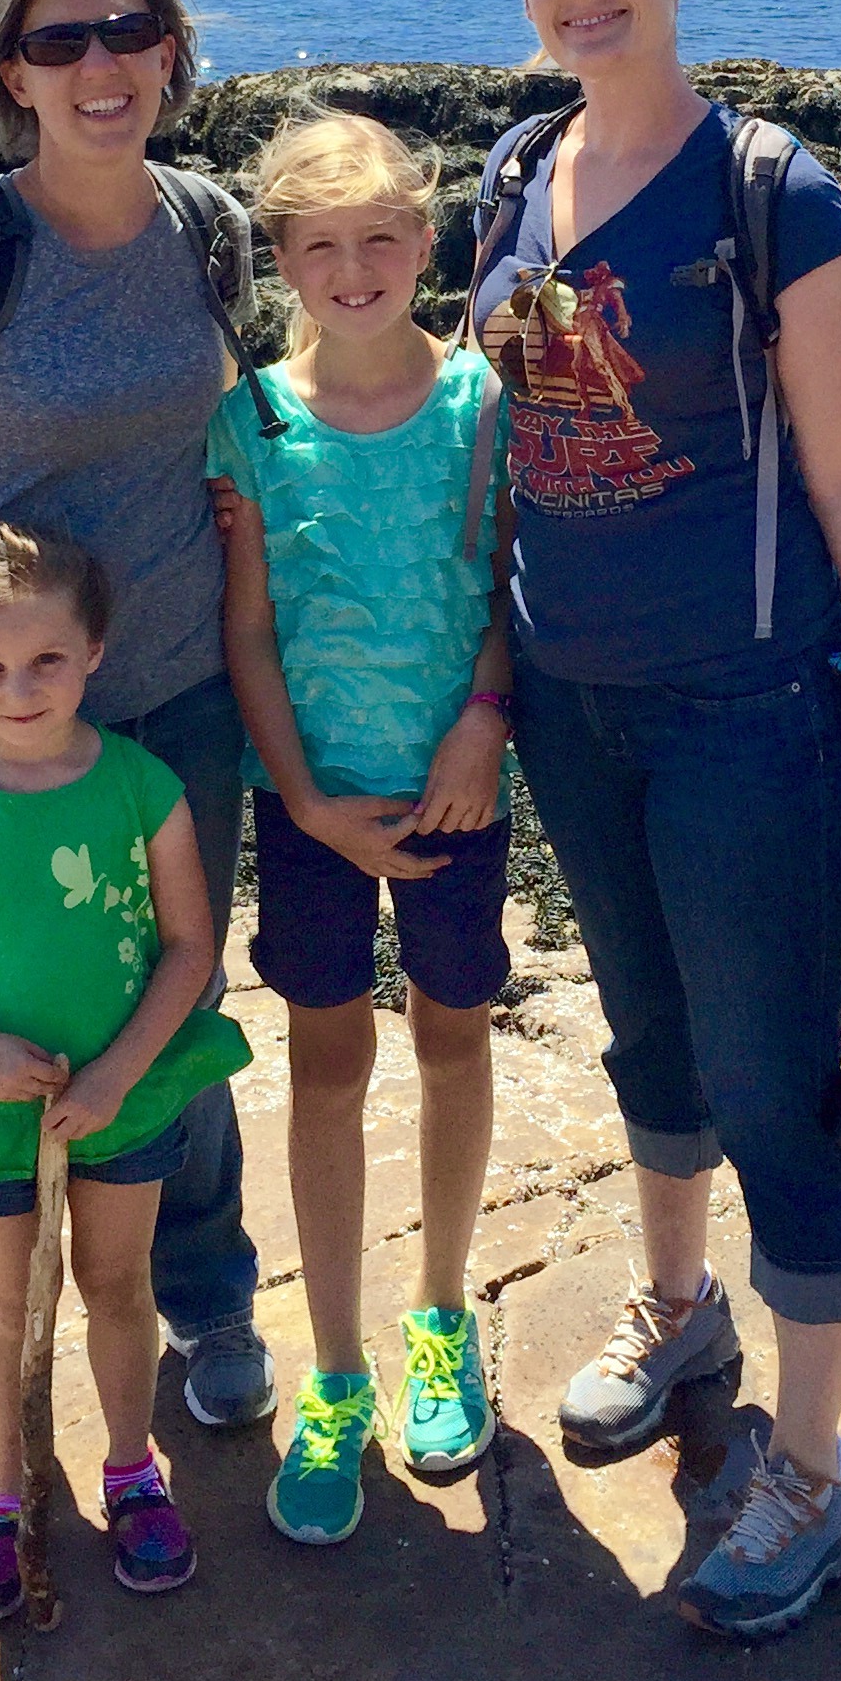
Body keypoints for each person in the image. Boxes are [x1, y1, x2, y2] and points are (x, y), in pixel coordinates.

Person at [469, 0, 841, 1643]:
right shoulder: (517, 171)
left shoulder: (771, 190)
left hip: (748, 707)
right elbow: (495, 438)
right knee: (646, 1033)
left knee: (770, 1084)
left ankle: (811, 1475)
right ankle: (681, 1316)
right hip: (570, 700)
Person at [0, 0, 273, 1512]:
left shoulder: (212, 229)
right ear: (11, 75)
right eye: (59, 40)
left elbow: (249, 444)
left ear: (172, 54)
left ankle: (209, 1300)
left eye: (128, 32)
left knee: (178, 1015)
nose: (100, 65)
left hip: (176, 708)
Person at [210, 113, 514, 1545]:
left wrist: (484, 722)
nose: (354, 268)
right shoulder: (252, 423)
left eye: (381, 237)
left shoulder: (483, 403)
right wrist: (307, 801)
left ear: (427, 240)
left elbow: (508, 589)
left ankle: (441, 1318)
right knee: (326, 1063)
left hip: (457, 791)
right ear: (281, 260)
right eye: (320, 245)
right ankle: (335, 1368)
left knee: (455, 1035)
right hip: (310, 805)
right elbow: (248, 635)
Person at [0, 523, 248, 1621]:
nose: (19, 689)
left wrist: (120, 1073)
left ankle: (133, 1473)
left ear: (95, 654)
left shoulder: (143, 786)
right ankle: (2, 1500)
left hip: (121, 1099)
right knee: (8, 1303)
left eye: (46, 661)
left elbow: (191, 948)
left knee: (116, 1286)